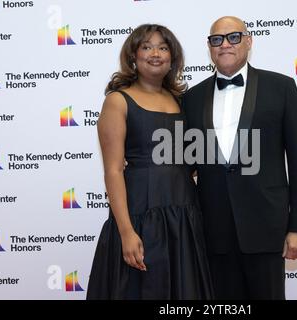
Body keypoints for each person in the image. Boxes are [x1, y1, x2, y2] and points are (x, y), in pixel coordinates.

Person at [182, 16, 297, 300]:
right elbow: (185, 159)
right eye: (217, 39)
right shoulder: (191, 98)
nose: (225, 44)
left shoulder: (281, 87)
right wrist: (138, 159)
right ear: (209, 47)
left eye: (233, 37)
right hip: (213, 231)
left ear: (249, 41)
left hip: (267, 227)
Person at [87, 24, 213, 299]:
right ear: (133, 56)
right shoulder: (118, 101)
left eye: (163, 47)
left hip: (184, 216)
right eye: (146, 47)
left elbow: (193, 159)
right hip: (141, 215)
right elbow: (113, 170)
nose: (155, 53)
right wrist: (126, 232)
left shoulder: (183, 100)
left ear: (173, 58)